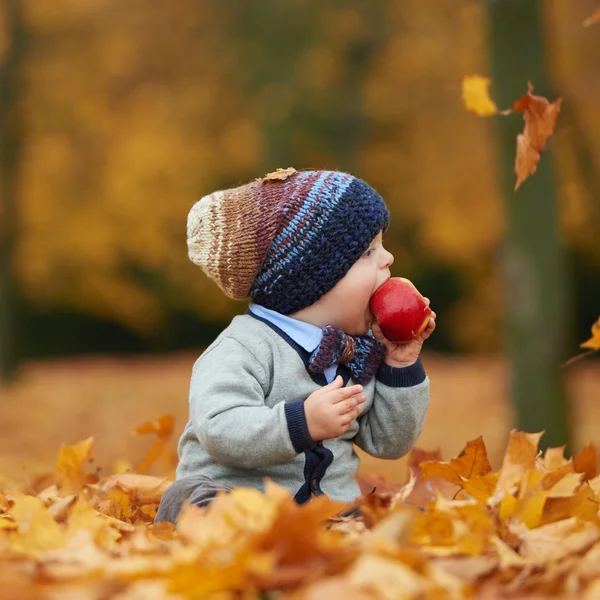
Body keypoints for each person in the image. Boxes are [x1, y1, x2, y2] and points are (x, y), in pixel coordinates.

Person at [155, 168, 436, 523]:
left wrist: (401, 365)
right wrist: (300, 422)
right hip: (241, 504)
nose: (388, 259)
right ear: (314, 282)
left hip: (326, 513)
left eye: (381, 245)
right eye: (368, 252)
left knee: (411, 521)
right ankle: (207, 527)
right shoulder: (244, 347)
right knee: (195, 499)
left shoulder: (357, 350)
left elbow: (389, 443)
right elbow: (218, 427)